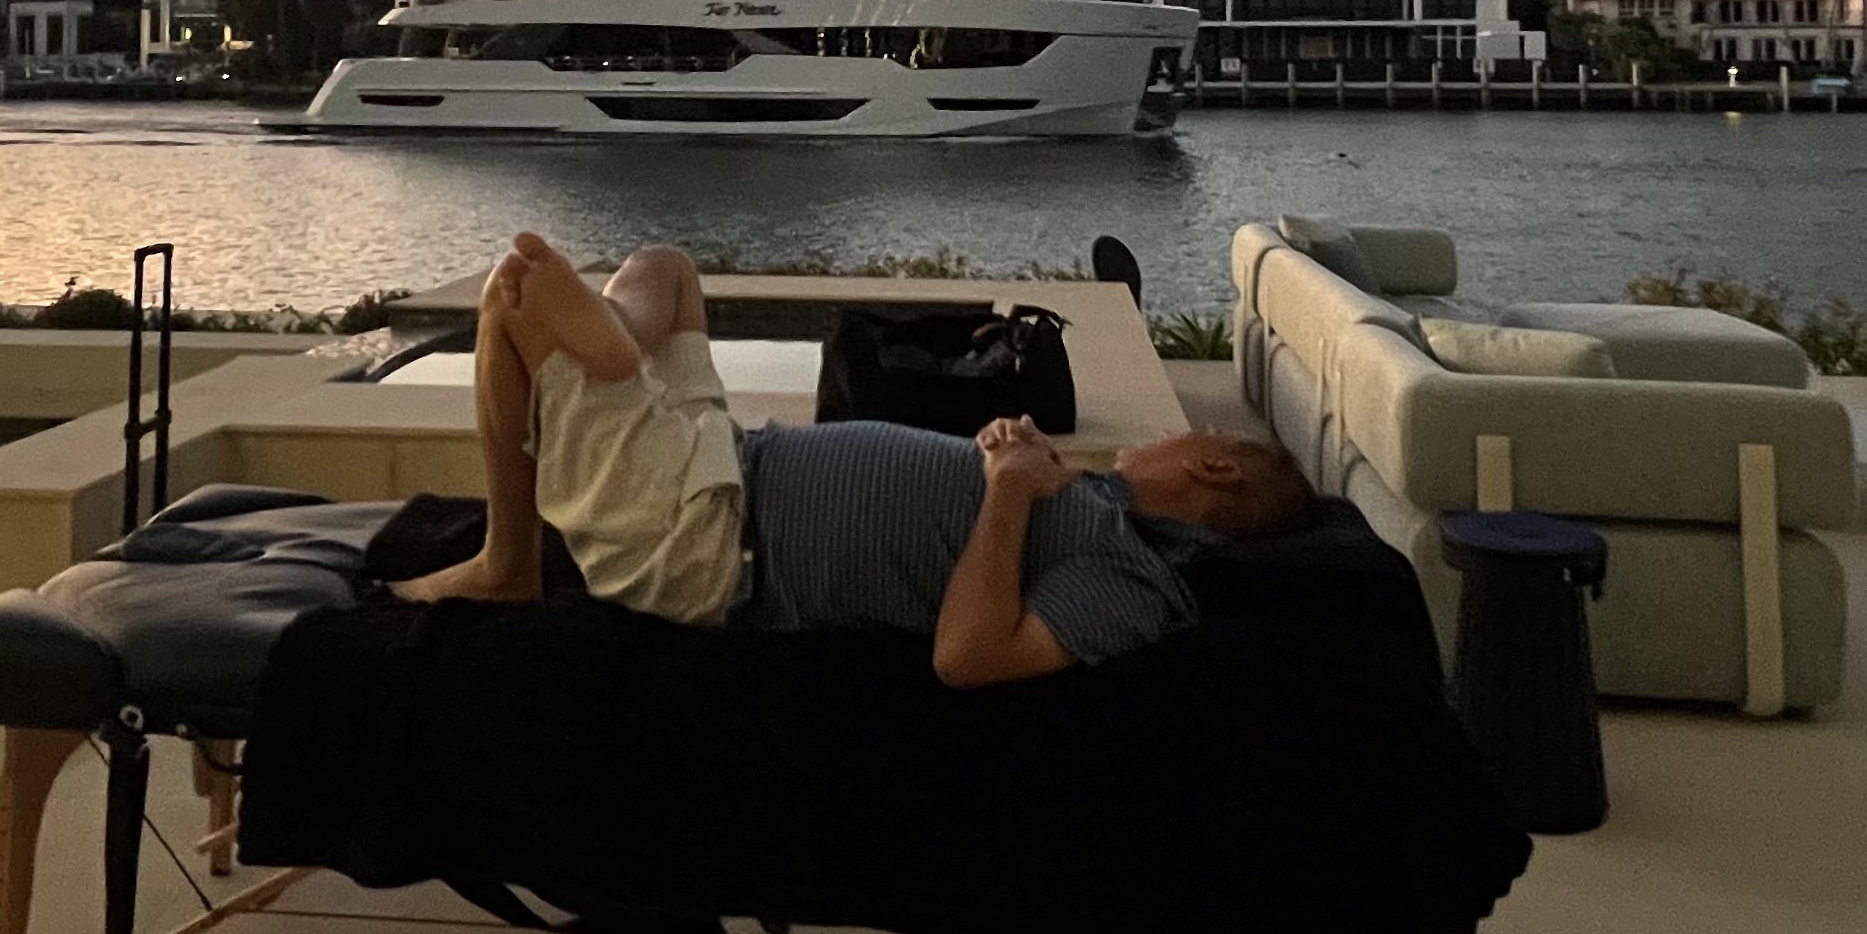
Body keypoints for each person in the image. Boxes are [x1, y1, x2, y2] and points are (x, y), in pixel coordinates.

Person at [397, 232, 1315, 684]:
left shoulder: (1139, 579)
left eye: (1189, 437)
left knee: (514, 293)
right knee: (663, 267)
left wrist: (1004, 492)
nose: (1167, 433)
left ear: (1216, 470)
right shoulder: (1100, 507)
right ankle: (615, 356)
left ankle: (508, 563)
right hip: (722, 466)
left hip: (702, 541)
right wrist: (1015, 463)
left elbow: (967, 657)